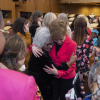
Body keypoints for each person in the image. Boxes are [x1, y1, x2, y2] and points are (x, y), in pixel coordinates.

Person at [0, 9, 40, 100]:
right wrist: (27, 32)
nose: (27, 25)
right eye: (25, 24)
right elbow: (28, 43)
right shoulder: (18, 35)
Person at [28, 27, 77, 100]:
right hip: (43, 84)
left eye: (52, 44)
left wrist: (33, 46)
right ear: (42, 43)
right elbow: (53, 68)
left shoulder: (41, 48)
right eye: (49, 44)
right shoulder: (41, 53)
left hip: (61, 79)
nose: (51, 46)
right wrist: (69, 63)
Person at [73, 17, 94, 82]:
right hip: (72, 69)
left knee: (80, 90)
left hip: (81, 70)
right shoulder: (74, 37)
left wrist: (80, 72)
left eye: (74, 26)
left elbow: (85, 58)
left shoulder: (88, 40)